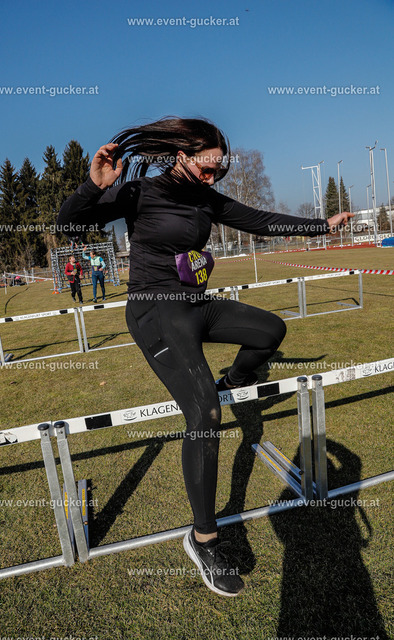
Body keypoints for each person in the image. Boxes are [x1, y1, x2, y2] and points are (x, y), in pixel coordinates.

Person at [58, 116, 354, 597]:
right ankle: (203, 540)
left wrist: (322, 225)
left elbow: (261, 221)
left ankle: (230, 382)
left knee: (270, 330)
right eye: (206, 168)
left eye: (219, 170)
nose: (213, 177)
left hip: (195, 305)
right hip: (155, 311)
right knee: (204, 415)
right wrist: (94, 186)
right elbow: (68, 225)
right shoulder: (139, 192)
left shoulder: (206, 198)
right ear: (181, 156)